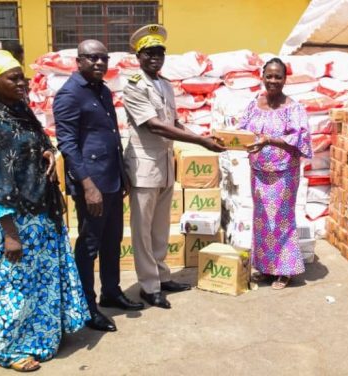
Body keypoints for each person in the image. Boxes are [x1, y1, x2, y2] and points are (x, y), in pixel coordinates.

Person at [0, 50, 89, 371]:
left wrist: (47, 152)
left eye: (21, 76)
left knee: (41, 279)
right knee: (13, 282)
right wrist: (10, 234)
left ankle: (41, 338)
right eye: (12, 78)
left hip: (38, 210)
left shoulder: (19, 110)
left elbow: (39, 140)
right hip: (9, 218)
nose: (21, 82)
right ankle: (11, 351)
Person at [123, 25, 225, 308]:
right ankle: (148, 285)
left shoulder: (165, 84)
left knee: (160, 228)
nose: (155, 58)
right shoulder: (133, 85)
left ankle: (162, 275)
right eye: (149, 53)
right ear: (139, 56)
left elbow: (173, 123)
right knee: (142, 231)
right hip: (144, 166)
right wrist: (202, 142)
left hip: (166, 165)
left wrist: (201, 134)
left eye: (160, 52)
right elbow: (155, 125)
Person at [54, 39, 144, 333]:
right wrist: (88, 185)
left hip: (112, 179)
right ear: (78, 61)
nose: (99, 63)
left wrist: (122, 174)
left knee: (112, 240)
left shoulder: (102, 90)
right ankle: (88, 307)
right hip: (91, 183)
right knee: (89, 246)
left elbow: (110, 137)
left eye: (103, 58)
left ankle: (111, 292)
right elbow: (67, 144)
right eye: (92, 58)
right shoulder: (69, 94)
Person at [238, 57, 313, 290]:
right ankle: (266, 267)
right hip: (258, 171)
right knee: (262, 220)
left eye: (277, 76)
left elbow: (300, 140)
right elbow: (243, 129)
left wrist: (270, 140)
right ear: (262, 77)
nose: (273, 81)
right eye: (268, 76)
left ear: (285, 79)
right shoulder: (254, 103)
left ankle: (284, 270)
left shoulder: (293, 108)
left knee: (281, 219)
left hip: (284, 173)